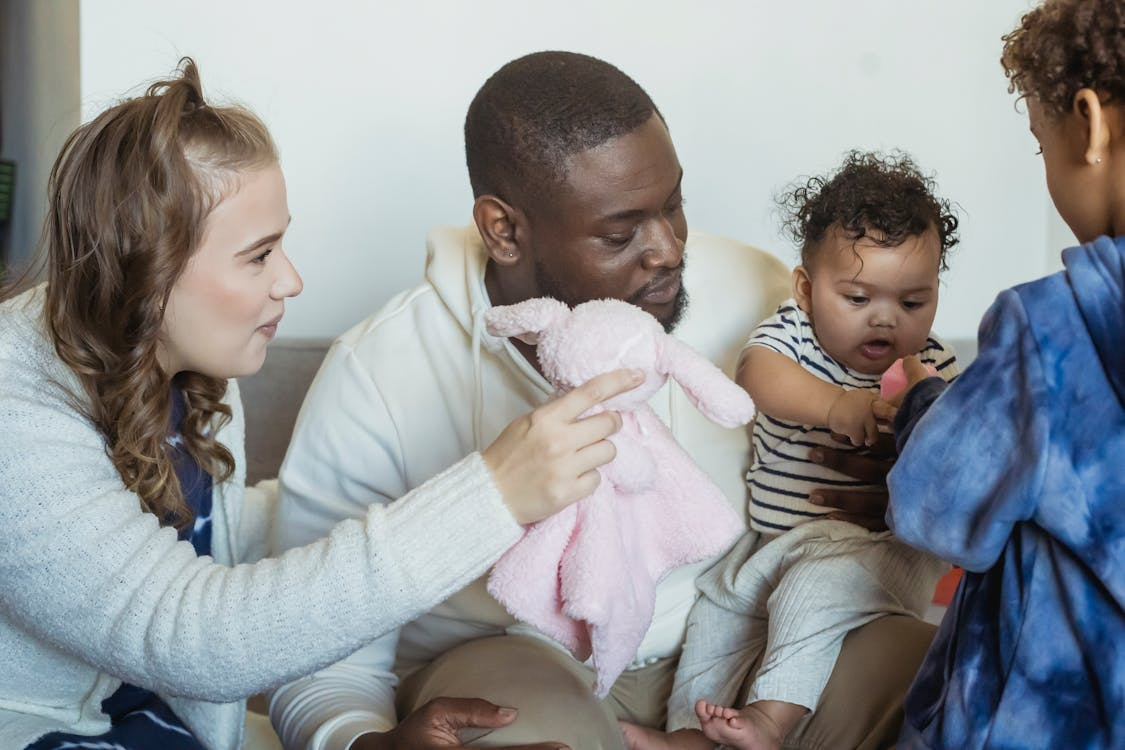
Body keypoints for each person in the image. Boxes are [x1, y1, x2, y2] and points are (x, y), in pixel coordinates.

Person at [271, 51, 940, 750]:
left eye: (674, 205)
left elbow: (882, 428)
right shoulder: (379, 370)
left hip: (747, 634)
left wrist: (892, 486)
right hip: (517, 657)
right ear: (504, 230)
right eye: (620, 235)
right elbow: (311, 650)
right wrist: (358, 742)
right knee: (520, 732)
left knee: (944, 675)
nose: (668, 250)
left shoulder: (762, 292)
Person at [0, 58, 639, 750]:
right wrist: (486, 497)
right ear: (144, 271)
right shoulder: (16, 413)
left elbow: (204, 538)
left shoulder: (187, 367)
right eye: (258, 255)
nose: (291, 280)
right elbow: (189, 634)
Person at [622, 152, 960, 750]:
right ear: (806, 289)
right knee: (720, 613)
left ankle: (771, 722)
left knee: (815, 592)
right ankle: (688, 734)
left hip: (876, 551)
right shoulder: (793, 335)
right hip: (771, 541)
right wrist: (838, 406)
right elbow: (757, 374)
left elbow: (962, 456)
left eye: (913, 303)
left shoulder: (931, 368)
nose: (886, 321)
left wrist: (923, 416)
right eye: (858, 299)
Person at [884, 0, 1125, 746]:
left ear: (1089, 124)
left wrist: (921, 401)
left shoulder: (1049, 326)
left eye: (1038, 141)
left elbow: (935, 508)